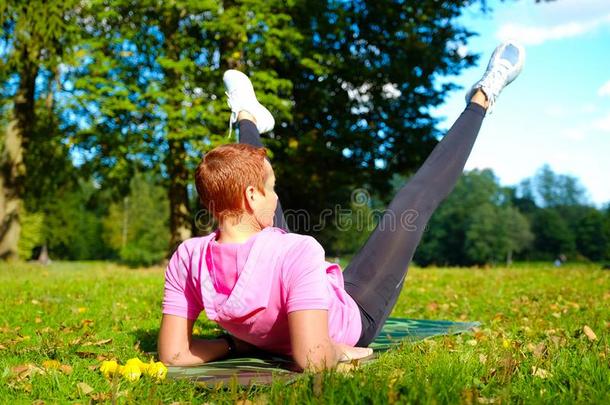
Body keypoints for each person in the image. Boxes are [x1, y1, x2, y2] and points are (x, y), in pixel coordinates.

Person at [157, 41, 526, 371]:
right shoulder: (296, 251)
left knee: (242, 175)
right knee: (414, 200)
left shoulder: (187, 257)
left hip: (300, 286)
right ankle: (484, 95)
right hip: (354, 310)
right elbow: (314, 358)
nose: (276, 196)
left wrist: (235, 342)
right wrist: (344, 350)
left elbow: (174, 354)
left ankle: (245, 114)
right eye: (271, 188)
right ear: (253, 197)